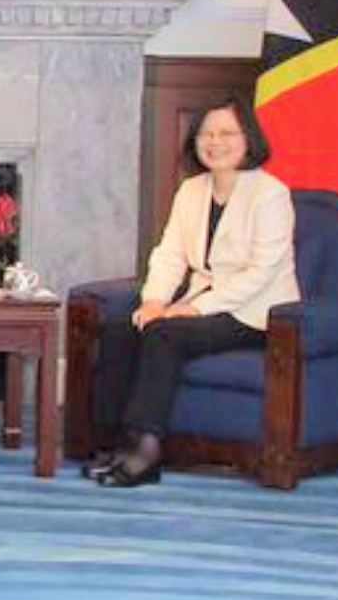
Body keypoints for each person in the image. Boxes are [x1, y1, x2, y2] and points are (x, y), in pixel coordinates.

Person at [82, 94, 299, 489]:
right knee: (121, 329)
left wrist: (194, 309)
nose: (215, 142)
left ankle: (146, 451)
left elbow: (262, 272)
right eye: (206, 134)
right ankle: (113, 444)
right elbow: (170, 254)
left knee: (164, 335)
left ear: (248, 139)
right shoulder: (191, 190)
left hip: (257, 313)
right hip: (202, 303)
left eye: (227, 133)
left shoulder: (271, 194)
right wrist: (154, 301)